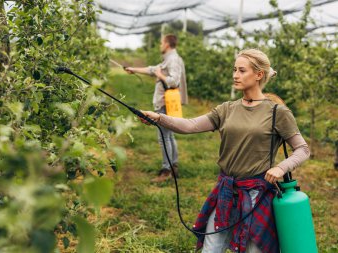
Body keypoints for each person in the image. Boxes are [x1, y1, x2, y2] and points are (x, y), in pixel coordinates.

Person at [138, 49, 310, 253]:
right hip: (226, 191)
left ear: (258, 75)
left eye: (242, 70)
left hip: (257, 194)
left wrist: (282, 168)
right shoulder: (227, 109)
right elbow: (190, 125)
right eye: (234, 69)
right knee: (211, 249)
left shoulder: (277, 112)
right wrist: (159, 118)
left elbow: (302, 149)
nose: (235, 75)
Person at [125, 34, 188, 182]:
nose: (160, 45)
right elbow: (152, 69)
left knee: (164, 137)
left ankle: (167, 170)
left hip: (165, 103)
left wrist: (160, 75)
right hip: (165, 102)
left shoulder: (173, 60)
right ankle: (173, 167)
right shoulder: (170, 58)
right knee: (169, 136)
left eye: (161, 42)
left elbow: (174, 81)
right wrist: (134, 69)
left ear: (166, 44)